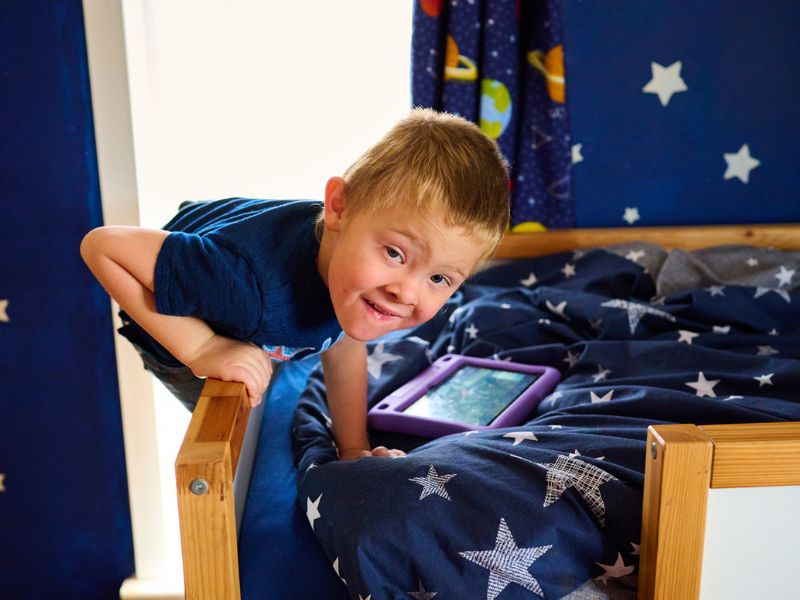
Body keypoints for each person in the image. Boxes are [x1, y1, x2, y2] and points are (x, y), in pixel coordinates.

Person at [80, 108, 510, 460]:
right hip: (182, 306)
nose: (407, 292)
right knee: (243, 416)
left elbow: (342, 344)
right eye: (395, 254)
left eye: (439, 278)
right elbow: (103, 246)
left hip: (226, 258)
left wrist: (353, 447)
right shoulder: (247, 291)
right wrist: (203, 349)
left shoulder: (352, 278)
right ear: (339, 208)